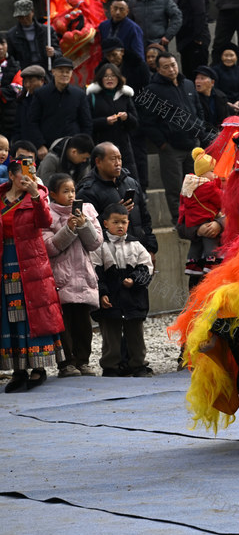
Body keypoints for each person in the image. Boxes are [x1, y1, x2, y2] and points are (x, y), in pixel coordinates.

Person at [0, 158, 64, 392]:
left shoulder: (38, 195)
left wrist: (35, 194)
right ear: (12, 177)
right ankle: (18, 370)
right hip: (5, 260)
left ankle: (39, 368)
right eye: (23, 175)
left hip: (30, 261)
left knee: (32, 313)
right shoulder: (0, 198)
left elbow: (45, 221)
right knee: (9, 314)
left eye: (31, 174)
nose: (27, 178)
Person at [43, 173, 103, 377]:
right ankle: (66, 363)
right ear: (53, 194)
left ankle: (83, 361)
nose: (71, 195)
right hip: (60, 277)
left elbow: (95, 243)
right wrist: (68, 229)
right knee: (64, 324)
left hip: (83, 275)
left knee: (83, 323)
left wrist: (84, 224)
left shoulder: (86, 210)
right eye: (65, 191)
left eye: (73, 191)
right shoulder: (47, 214)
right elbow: (49, 247)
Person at [91, 203, 154, 376]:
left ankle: (138, 365)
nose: (120, 226)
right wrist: (102, 293)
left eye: (124, 222)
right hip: (111, 298)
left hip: (133, 298)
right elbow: (95, 272)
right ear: (105, 224)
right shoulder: (100, 246)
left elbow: (147, 268)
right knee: (111, 335)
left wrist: (134, 280)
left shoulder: (136, 245)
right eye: (116, 222)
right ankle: (111, 366)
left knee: (135, 335)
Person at [142, 53, 206, 222]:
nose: (171, 69)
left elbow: (198, 110)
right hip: (171, 148)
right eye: (166, 67)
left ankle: (199, 218)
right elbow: (148, 123)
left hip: (193, 144)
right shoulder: (152, 91)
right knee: (175, 188)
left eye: (173, 65)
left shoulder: (188, 84)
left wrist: (198, 129)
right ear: (158, 69)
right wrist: (162, 144)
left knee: (198, 186)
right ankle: (180, 222)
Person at [76, 142, 157, 257]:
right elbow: (86, 230)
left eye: (120, 159)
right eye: (113, 159)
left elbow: (145, 219)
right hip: (108, 257)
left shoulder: (131, 183)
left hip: (139, 252)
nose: (118, 163)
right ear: (98, 162)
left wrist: (151, 249)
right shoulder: (87, 191)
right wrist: (112, 215)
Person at [25, 57, 92, 156]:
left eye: (68, 71)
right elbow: (32, 121)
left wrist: (82, 146)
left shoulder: (79, 94)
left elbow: (87, 123)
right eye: (61, 71)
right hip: (47, 149)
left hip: (73, 148)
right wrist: (40, 145)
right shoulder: (41, 93)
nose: (64, 74)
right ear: (53, 72)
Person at [85, 64, 139, 180]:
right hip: (101, 146)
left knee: (130, 180)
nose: (110, 79)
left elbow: (135, 122)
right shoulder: (92, 97)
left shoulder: (125, 96)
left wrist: (126, 117)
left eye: (113, 76)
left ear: (118, 78)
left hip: (124, 147)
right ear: (100, 79)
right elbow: (87, 123)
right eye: (106, 76)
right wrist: (105, 121)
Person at [177, 147, 223, 276]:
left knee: (196, 245)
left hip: (193, 221)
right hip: (205, 220)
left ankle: (192, 264)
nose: (216, 176)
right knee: (210, 242)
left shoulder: (189, 185)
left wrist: (220, 224)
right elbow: (221, 200)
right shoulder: (209, 186)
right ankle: (210, 263)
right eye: (213, 172)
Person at [174, 0, 212, 77]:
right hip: (188, 39)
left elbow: (199, 13)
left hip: (194, 40)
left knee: (196, 75)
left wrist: (197, 37)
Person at [98, 0, 147, 74]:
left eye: (121, 9)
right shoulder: (103, 26)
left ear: (127, 11)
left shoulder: (133, 28)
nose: (118, 12)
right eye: (115, 8)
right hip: (106, 66)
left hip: (126, 67)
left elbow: (138, 54)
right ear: (110, 9)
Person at [7, 0, 59, 68]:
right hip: (24, 71)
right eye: (21, 17)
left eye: (27, 16)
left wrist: (53, 53)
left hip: (46, 69)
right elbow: (10, 57)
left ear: (32, 12)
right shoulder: (11, 35)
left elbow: (58, 51)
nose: (24, 19)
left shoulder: (47, 30)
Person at [211, 43, 239, 117]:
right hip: (222, 102)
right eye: (226, 55)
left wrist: (238, 102)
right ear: (221, 57)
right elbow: (214, 89)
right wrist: (227, 103)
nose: (229, 58)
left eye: (231, 55)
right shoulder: (215, 70)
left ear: (236, 57)